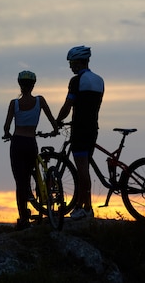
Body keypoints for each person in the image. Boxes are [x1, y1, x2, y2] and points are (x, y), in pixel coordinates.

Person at [3, 70, 59, 230]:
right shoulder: (40, 101)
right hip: (30, 142)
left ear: (20, 85)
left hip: (17, 142)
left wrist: (7, 133)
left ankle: (23, 218)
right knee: (31, 172)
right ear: (33, 85)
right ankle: (40, 197)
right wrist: (55, 130)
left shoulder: (14, 104)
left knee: (20, 181)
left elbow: (6, 126)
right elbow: (52, 120)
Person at [56, 45, 104, 220]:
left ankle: (84, 208)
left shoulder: (76, 81)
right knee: (85, 167)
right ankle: (85, 206)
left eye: (71, 62)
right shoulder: (100, 80)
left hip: (80, 129)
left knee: (82, 170)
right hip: (93, 128)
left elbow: (68, 106)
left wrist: (57, 121)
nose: (70, 66)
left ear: (78, 62)